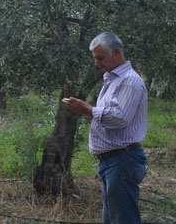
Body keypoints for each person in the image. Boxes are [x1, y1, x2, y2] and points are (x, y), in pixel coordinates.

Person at [62, 31, 148, 224]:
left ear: (116, 52)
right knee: (112, 219)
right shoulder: (113, 79)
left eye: (100, 58)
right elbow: (109, 115)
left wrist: (87, 109)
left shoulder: (129, 82)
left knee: (123, 220)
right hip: (113, 162)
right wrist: (85, 109)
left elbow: (120, 118)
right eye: (95, 58)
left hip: (122, 160)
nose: (97, 63)